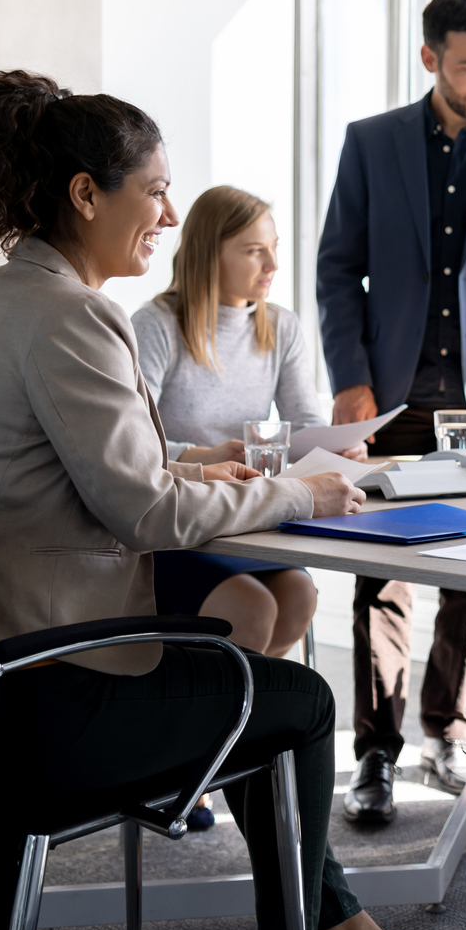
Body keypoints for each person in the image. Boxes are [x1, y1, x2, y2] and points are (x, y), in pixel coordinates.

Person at [0, 71, 466, 930]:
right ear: (87, 194)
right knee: (294, 698)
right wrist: (296, 491)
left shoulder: (2, 299)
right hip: (56, 686)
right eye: (155, 190)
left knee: (250, 676)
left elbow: (95, 460)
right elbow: (144, 515)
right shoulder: (75, 315)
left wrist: (201, 459)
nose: (169, 214)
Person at [317, 0, 466, 822]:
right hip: (390, 394)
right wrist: (349, 375)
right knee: (382, 575)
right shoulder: (370, 144)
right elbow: (338, 268)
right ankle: (375, 750)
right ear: (431, 58)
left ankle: (449, 730)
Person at [133, 185, 366, 658]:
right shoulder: (156, 326)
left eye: (274, 248)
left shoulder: (280, 325)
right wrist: (204, 456)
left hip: (250, 520)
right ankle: (226, 721)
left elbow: (302, 423)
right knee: (252, 608)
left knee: (299, 597)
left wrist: (334, 447)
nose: (272, 266)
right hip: (182, 525)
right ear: (209, 253)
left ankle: (255, 723)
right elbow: (134, 445)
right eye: (255, 251)